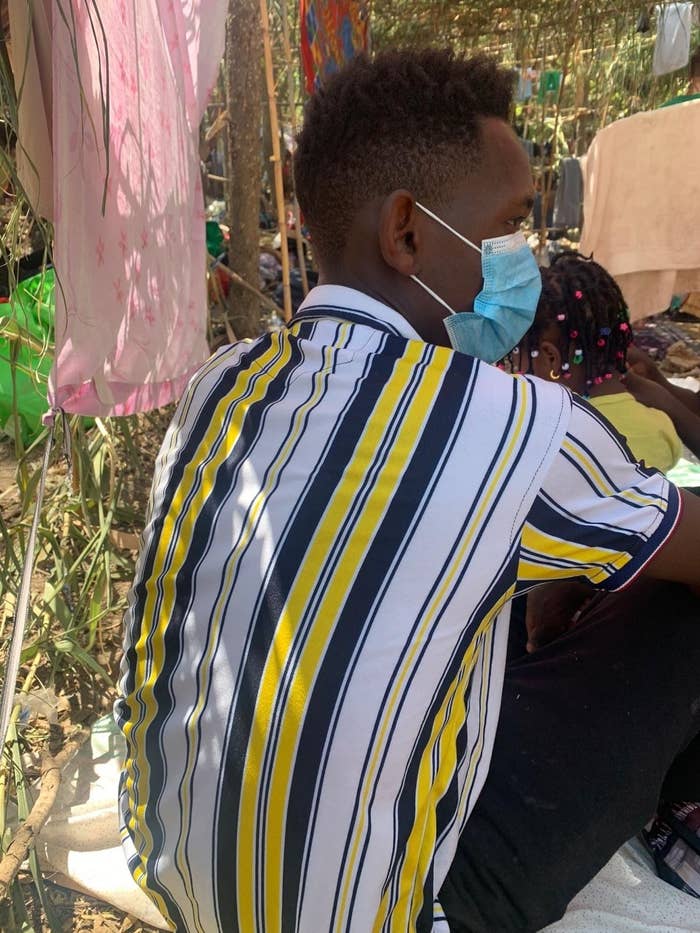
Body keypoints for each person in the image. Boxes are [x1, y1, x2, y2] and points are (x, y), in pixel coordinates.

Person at [116, 50, 700, 932]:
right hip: (406, 912)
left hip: (190, 887)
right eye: (508, 225)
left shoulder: (223, 385)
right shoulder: (510, 421)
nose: (524, 258)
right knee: (679, 602)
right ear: (407, 233)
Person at [507, 251, 692, 471]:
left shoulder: (543, 432)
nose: (515, 370)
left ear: (551, 359)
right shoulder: (661, 427)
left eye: (515, 358)